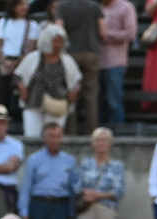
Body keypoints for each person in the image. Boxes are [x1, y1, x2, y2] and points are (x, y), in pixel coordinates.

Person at [14, 25, 82, 140]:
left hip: (57, 105)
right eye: (55, 42)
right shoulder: (33, 57)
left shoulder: (67, 60)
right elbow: (17, 76)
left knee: (53, 138)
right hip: (34, 103)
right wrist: (22, 90)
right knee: (32, 137)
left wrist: (74, 93)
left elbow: (78, 80)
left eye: (60, 42)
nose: (58, 46)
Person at [59, 0, 102, 134]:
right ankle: (91, 133)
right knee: (91, 96)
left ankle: (71, 132)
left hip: (70, 54)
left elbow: (58, 31)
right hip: (91, 53)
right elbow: (103, 32)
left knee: (71, 94)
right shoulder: (94, 6)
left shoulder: (63, 6)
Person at [98, 0, 137, 127]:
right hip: (96, 62)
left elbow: (130, 33)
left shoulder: (126, 7)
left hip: (115, 62)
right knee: (98, 103)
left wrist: (106, 35)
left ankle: (118, 134)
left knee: (114, 102)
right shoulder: (97, 7)